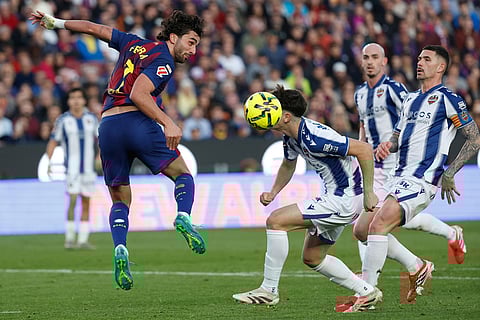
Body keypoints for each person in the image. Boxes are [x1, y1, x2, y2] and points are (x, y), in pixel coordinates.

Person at [31, 10, 207, 291]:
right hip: (136, 122)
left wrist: (56, 23)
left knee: (120, 200)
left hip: (108, 126)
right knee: (183, 176)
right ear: (173, 38)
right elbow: (139, 93)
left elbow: (92, 27)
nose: (193, 50)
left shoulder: (132, 43)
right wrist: (168, 121)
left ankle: (121, 248)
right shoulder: (163, 59)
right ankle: (184, 216)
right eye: (191, 42)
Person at [232, 85, 382, 313]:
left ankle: (268, 290)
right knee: (313, 257)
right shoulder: (290, 137)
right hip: (335, 196)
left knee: (276, 221)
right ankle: (367, 292)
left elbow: (363, 149)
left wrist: (369, 192)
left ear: (286, 116)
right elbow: (288, 164)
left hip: (344, 198)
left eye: (274, 110)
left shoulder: (314, 137)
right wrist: (273, 192)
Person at [357, 45, 480, 310]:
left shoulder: (448, 98)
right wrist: (388, 144)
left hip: (421, 180)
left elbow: (474, 137)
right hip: (396, 176)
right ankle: (418, 266)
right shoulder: (411, 100)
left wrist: (450, 171)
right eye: (419, 58)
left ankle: (366, 291)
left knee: (378, 226)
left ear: (441, 67)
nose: (420, 62)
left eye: (427, 59)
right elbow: (400, 135)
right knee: (361, 229)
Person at [46, 87, 98, 249]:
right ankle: (69, 238)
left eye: (79, 97)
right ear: (68, 101)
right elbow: (53, 141)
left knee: (87, 202)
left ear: (84, 100)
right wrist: (49, 161)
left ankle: (82, 240)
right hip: (72, 170)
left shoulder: (91, 119)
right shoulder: (63, 120)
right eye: (72, 98)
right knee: (73, 200)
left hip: (89, 170)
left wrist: (99, 157)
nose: (76, 101)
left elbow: (101, 139)